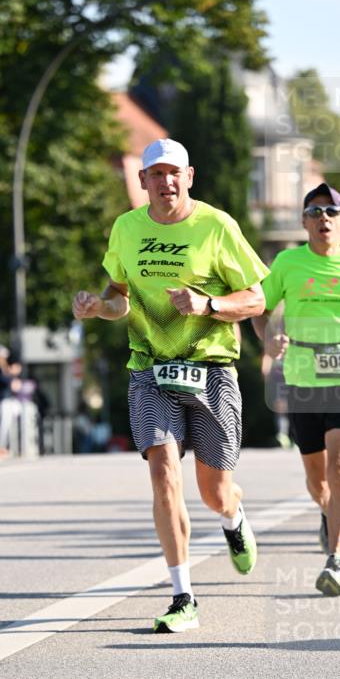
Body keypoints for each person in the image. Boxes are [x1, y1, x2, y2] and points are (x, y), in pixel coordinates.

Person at [72, 137, 268, 633]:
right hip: (150, 370)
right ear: (142, 182)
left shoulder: (217, 226)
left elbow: (256, 300)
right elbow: (119, 298)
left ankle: (233, 516)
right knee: (162, 472)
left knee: (214, 490)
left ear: (190, 177)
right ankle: (183, 595)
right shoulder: (126, 228)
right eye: (156, 174)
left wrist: (209, 305)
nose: (166, 182)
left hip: (211, 370)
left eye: (174, 173)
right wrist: (99, 307)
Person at [253, 184, 340, 597]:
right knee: (317, 481)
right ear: (304, 222)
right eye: (315, 212)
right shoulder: (288, 263)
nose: (323, 218)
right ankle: (330, 517)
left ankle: (336, 558)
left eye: (331, 212)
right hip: (304, 382)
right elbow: (258, 308)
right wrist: (268, 340)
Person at [0, 346, 22, 453]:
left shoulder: (2, 367)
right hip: (1, 400)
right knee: (2, 425)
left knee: (8, 424)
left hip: (7, 399)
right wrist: (12, 373)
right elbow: (4, 380)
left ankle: (7, 446)